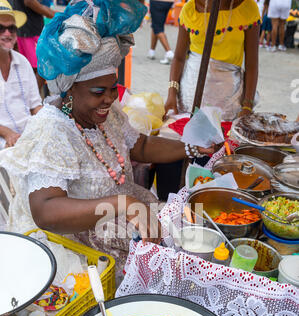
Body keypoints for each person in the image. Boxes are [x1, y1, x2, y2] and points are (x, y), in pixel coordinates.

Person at [0, 0, 216, 279]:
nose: (110, 98)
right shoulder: (51, 130)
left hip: (122, 221)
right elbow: (45, 211)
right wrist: (121, 204)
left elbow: (140, 145)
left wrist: (189, 148)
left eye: (113, 88)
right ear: (69, 90)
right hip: (77, 248)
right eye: (99, 91)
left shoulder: (105, 114)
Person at [164, 0, 261, 120]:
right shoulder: (189, 9)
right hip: (189, 97)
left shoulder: (248, 8)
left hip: (229, 102)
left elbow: (252, 65)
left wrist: (247, 106)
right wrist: (172, 93)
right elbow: (179, 58)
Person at [0, 0, 42, 149]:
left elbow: (35, 105)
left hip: (28, 138)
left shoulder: (22, 62)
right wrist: (6, 133)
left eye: (12, 28)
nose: (7, 33)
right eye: (1, 28)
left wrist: (49, 122)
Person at [12, 0, 56, 88]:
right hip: (30, 32)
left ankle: (30, 97)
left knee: (31, 69)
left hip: (25, 30)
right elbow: (30, 2)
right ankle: (33, 99)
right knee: (41, 67)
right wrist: (58, 16)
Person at [147, 0, 175, 64]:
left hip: (157, 2)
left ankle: (169, 52)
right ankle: (151, 51)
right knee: (156, 24)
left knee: (158, 28)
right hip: (169, 2)